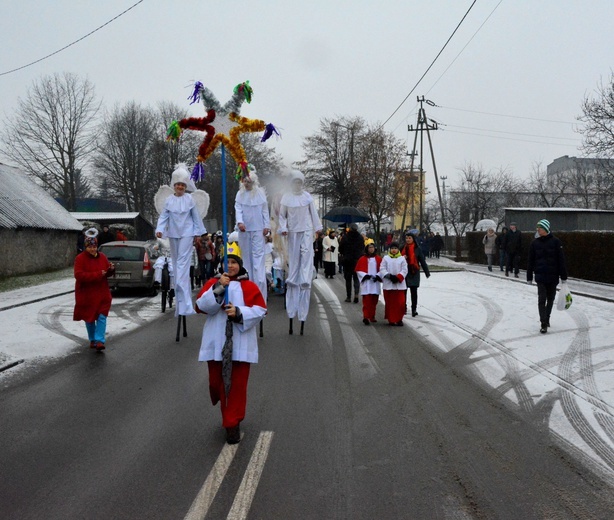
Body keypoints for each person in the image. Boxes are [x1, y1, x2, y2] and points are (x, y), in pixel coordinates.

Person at [195, 244, 266, 444]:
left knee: (235, 387)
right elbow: (201, 306)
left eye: (234, 262)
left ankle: (232, 423)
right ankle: (227, 411)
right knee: (217, 383)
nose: (231, 266)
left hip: (240, 346)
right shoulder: (213, 282)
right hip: (216, 344)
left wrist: (240, 313)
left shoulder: (249, 286)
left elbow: (260, 310)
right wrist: (219, 288)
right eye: (228, 262)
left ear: (240, 265)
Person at [155, 164, 207, 317]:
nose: (180, 187)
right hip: (173, 233)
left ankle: (181, 288)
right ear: (174, 185)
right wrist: (159, 229)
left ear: (185, 186)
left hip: (187, 233)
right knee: (176, 262)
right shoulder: (169, 200)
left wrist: (200, 232)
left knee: (183, 263)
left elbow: (196, 217)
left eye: (182, 185)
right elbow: (164, 217)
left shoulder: (190, 199)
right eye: (177, 184)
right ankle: (178, 293)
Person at [278, 170, 322, 327]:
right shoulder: (286, 198)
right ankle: (294, 276)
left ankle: (305, 278)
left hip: (306, 229)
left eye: (299, 182)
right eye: (295, 182)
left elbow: (313, 214)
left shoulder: (307, 197)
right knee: (294, 255)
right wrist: (283, 227)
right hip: (293, 230)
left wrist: (317, 227)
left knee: (306, 254)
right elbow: (282, 216)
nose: (297, 185)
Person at [73, 230, 115, 351]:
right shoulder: (80, 259)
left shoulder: (102, 257)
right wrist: (97, 274)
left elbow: (106, 273)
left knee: (102, 316)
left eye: (95, 246)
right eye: (90, 247)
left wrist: (111, 269)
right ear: (86, 247)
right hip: (87, 294)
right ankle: (93, 339)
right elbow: (79, 275)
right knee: (90, 318)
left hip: (102, 293)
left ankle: (99, 340)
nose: (93, 249)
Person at [235, 168, 271, 301]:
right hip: (244, 230)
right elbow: (238, 209)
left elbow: (265, 210)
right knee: (246, 259)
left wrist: (266, 225)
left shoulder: (260, 194)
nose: (247, 184)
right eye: (245, 182)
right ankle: (247, 289)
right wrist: (240, 222)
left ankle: (260, 291)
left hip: (258, 229)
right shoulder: (240, 194)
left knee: (258, 260)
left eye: (249, 182)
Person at [526, 219, 568, 334]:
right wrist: (529, 277)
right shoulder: (534, 243)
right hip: (540, 276)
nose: (538, 230)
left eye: (540, 228)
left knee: (550, 299)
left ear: (545, 229)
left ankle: (547, 318)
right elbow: (530, 261)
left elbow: (561, 260)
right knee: (541, 299)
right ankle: (543, 323)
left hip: (553, 276)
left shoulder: (556, 242)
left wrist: (564, 276)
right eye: (537, 228)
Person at [378, 241, 408, 326]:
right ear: (390, 249)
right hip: (389, 284)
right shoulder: (386, 258)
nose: (394, 250)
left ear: (398, 249)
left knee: (400, 303)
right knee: (390, 303)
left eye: (395, 248)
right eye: (392, 248)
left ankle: (399, 319)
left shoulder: (402, 259)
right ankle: (391, 319)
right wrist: (389, 276)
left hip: (399, 284)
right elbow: (382, 268)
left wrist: (398, 277)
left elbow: (405, 270)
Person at [401, 232, 430, 317]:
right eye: (407, 238)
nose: (408, 240)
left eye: (410, 238)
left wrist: (426, 272)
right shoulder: (402, 248)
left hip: (414, 272)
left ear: (413, 239)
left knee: (414, 292)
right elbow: (396, 259)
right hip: (404, 271)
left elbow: (422, 261)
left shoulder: (417, 249)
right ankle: (403, 308)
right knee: (403, 291)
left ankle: (414, 309)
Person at [355, 240, 382, 325]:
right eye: (370, 247)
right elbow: (358, 270)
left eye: (372, 247)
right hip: (367, 283)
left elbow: (383, 269)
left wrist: (378, 276)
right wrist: (365, 275)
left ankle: (372, 316)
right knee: (366, 301)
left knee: (374, 301)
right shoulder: (362, 259)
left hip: (375, 282)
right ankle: (366, 316)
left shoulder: (378, 259)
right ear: (367, 248)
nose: (371, 249)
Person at [339, 223, 364, 303]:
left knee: (348, 279)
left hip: (347, 260)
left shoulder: (345, 237)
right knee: (356, 278)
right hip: (357, 260)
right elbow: (362, 247)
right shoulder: (360, 237)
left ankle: (348, 296)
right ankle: (356, 294)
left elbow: (341, 248)